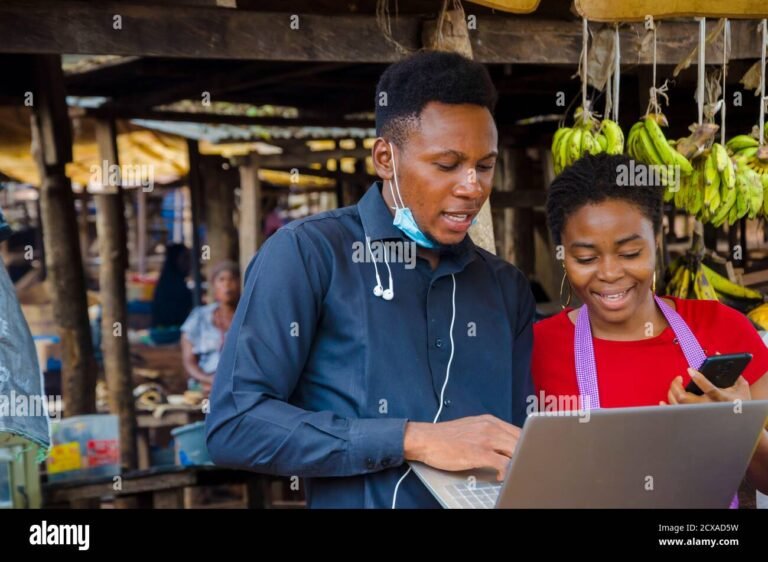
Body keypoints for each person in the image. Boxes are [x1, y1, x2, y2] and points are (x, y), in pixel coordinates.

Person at [206, 51, 535, 508]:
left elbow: (521, 444)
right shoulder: (307, 255)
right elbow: (234, 424)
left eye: (484, 165)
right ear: (385, 158)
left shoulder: (506, 288)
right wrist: (409, 439)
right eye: (447, 165)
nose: (472, 186)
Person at [533, 153, 768, 495]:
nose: (610, 273)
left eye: (630, 253)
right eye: (585, 258)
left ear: (656, 239)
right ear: (562, 254)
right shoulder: (536, 347)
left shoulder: (723, 328)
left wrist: (740, 425)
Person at [181, 261, 240, 393]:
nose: (227, 285)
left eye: (232, 279)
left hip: (239, 385)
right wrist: (209, 379)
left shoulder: (248, 317)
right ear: (213, 286)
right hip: (206, 385)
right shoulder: (199, 318)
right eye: (222, 280)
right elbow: (189, 361)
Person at [151, 243, 193, 329]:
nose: (189, 263)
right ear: (174, 260)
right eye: (185, 258)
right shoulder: (171, 287)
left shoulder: (178, 283)